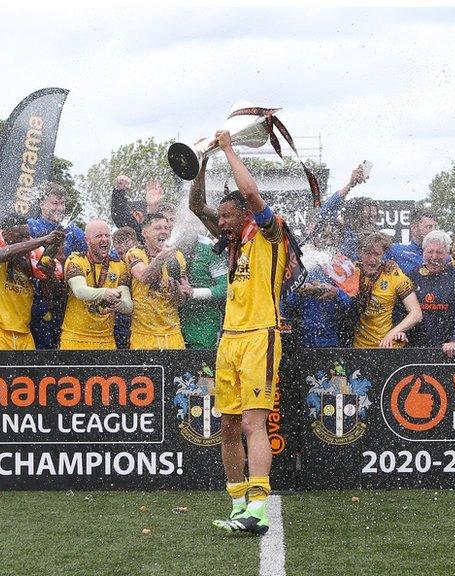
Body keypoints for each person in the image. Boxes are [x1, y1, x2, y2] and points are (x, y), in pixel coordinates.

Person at [188, 131, 302, 536]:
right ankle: (238, 504)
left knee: (256, 424)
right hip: (229, 340)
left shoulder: (271, 235)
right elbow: (194, 204)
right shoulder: (232, 243)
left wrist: (229, 150)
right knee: (228, 427)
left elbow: (252, 194)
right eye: (219, 219)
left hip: (260, 336)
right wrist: (200, 161)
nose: (220, 223)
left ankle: (259, 507)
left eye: (226, 217)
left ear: (245, 216)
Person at [0, 213, 65, 350]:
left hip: (24, 332)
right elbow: (2, 254)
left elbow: (54, 283)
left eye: (27, 236)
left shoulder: (33, 252)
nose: (26, 240)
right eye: (21, 237)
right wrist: (43, 240)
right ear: (7, 234)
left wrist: (49, 265)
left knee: (27, 372)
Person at [27, 182, 87, 349]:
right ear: (41, 203)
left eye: (62, 204)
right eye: (55, 203)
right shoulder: (32, 226)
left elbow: (91, 249)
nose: (60, 208)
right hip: (36, 298)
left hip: (62, 299)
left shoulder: (72, 230)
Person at [59, 220, 132, 350]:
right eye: (99, 236)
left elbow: (128, 306)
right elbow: (79, 291)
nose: (104, 239)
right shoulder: (75, 260)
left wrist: (118, 304)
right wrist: (105, 293)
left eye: (107, 235)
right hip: (74, 338)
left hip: (106, 340)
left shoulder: (120, 266)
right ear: (87, 240)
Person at [176, 174, 228, 349]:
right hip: (174, 327)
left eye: (192, 220)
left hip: (205, 327)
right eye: (183, 220)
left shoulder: (211, 249)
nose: (187, 224)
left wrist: (194, 293)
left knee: (202, 375)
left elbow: (225, 288)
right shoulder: (171, 249)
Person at [124, 213, 190, 349]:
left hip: (173, 335)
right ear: (144, 232)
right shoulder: (135, 253)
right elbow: (144, 277)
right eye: (158, 228)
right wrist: (161, 257)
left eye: (166, 228)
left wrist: (178, 291)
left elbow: (181, 301)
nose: (164, 232)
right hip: (143, 335)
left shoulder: (178, 257)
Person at [286, 219, 356, 348]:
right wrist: (299, 289)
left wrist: (337, 293)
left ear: (339, 240)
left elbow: (353, 307)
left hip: (334, 341)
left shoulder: (346, 267)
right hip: (303, 341)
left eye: (333, 236)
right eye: (323, 236)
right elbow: (286, 303)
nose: (328, 241)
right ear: (315, 238)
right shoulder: (301, 263)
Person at [351, 232, 423, 348]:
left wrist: (394, 332)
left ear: (383, 254)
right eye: (368, 254)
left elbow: (416, 313)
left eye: (377, 254)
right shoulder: (352, 272)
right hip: (359, 348)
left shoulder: (393, 275)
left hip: (389, 347)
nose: (372, 260)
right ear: (360, 253)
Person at [408, 230, 455, 355]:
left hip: (448, 349)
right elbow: (401, 310)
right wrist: (401, 332)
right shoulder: (413, 276)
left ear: (447, 254)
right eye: (430, 252)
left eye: (439, 252)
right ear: (423, 252)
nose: (434, 257)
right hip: (417, 347)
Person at [386, 206, 438, 275]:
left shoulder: (442, 254)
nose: (434, 231)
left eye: (436, 227)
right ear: (414, 228)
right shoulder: (395, 251)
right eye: (429, 227)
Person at [110, 226, 138, 348]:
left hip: (145, 324)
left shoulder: (148, 261)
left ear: (138, 245)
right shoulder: (115, 266)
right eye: (121, 253)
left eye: (129, 251)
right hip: (121, 324)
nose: (127, 256)